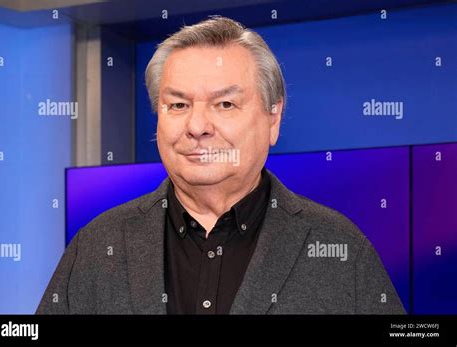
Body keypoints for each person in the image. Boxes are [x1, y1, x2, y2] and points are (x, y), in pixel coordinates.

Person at [37, 16, 405, 314]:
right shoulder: (97, 247)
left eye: (225, 105)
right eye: (178, 105)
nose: (197, 127)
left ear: (273, 117)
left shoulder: (341, 249)